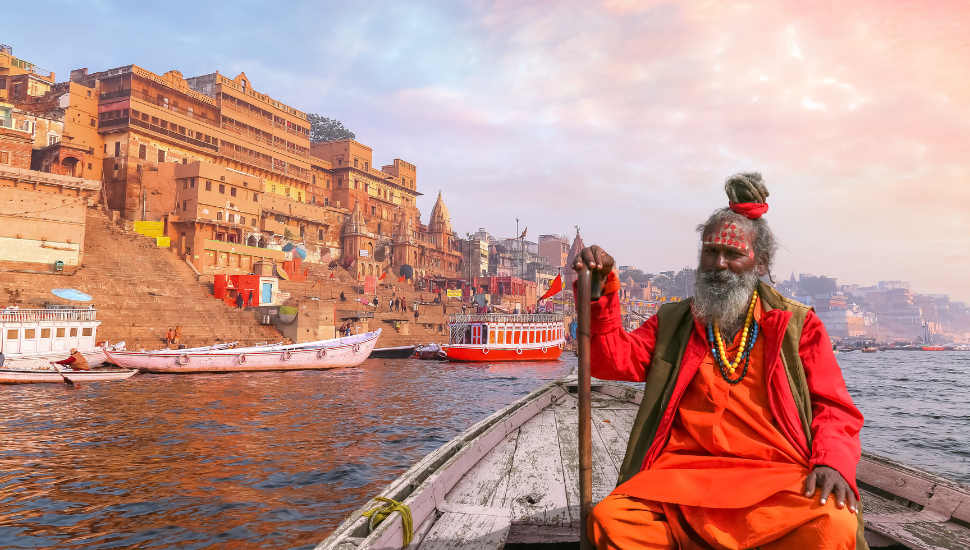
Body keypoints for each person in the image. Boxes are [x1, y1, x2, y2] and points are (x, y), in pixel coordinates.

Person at [576, 173, 865, 550]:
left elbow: (835, 408)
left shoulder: (796, 324)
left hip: (775, 477)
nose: (719, 263)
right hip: (680, 477)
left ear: (759, 263)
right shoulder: (674, 321)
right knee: (612, 522)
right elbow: (611, 363)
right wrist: (602, 290)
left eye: (733, 254)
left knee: (834, 526)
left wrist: (830, 462)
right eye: (710, 252)